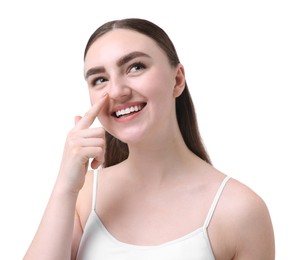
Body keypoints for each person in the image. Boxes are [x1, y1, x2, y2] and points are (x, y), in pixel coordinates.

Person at [24, 18, 275, 260]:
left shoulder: (239, 210)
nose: (117, 91)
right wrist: (65, 186)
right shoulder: (84, 195)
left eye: (136, 67)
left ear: (177, 80)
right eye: (100, 79)